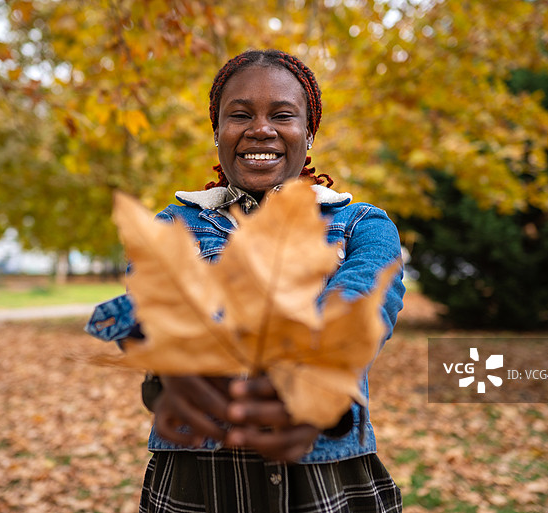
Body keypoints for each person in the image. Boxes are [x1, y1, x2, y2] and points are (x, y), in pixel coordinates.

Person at [86, 48, 406, 513]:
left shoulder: (362, 225)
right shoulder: (169, 226)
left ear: (308, 132)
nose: (261, 128)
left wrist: (311, 374)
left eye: (282, 114)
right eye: (239, 114)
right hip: (199, 479)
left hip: (325, 478)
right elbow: (152, 307)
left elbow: (362, 303)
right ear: (217, 131)